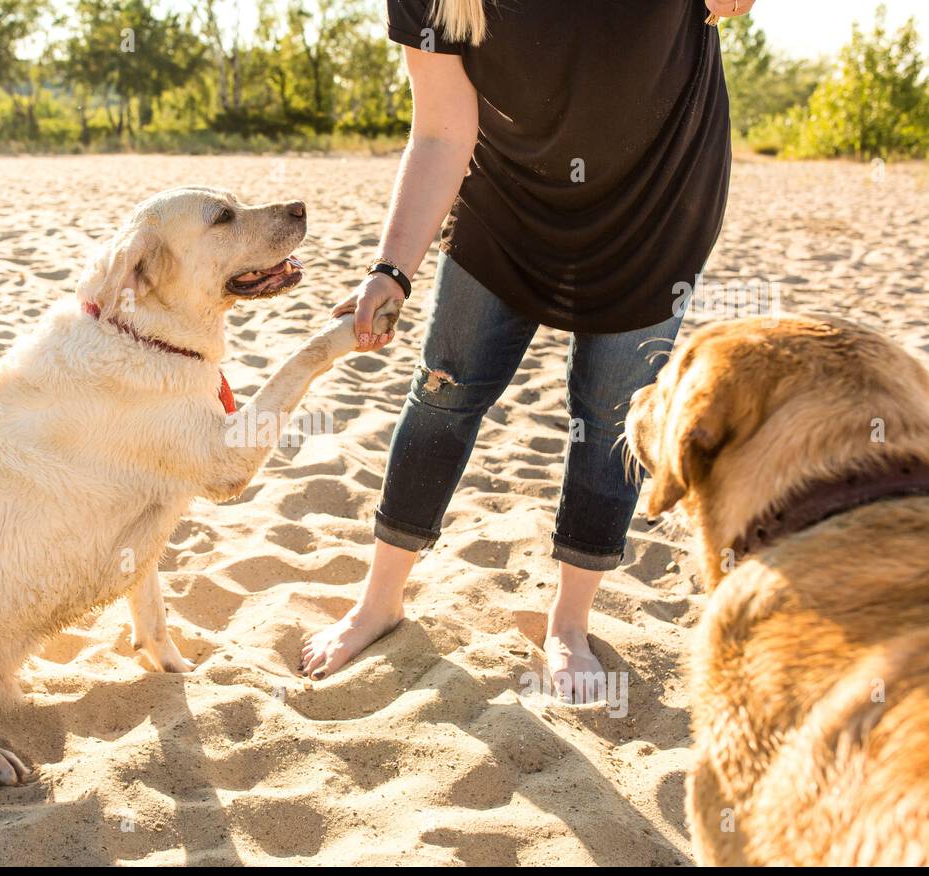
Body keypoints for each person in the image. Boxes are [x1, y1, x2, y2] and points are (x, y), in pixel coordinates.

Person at [300, 0, 748, 700]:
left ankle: (567, 624)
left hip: (657, 206)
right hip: (507, 200)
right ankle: (379, 601)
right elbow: (444, 133)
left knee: (608, 417)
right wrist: (392, 270)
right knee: (444, 389)